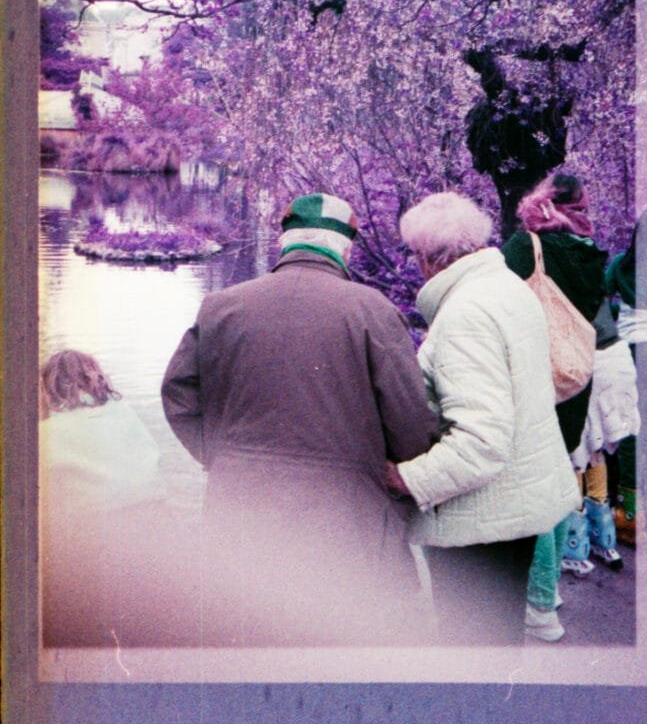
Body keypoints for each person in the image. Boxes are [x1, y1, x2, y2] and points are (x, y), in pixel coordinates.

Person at [161, 192, 438, 646]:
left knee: (246, 634)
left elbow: (178, 393)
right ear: (345, 249)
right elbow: (409, 422)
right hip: (344, 517)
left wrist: (220, 455)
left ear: (284, 243)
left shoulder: (221, 306)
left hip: (239, 507)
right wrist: (403, 474)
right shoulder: (373, 310)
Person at [385, 191, 579, 645]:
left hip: (481, 524)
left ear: (428, 257)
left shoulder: (465, 315)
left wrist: (406, 479)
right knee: (499, 641)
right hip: (515, 508)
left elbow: (480, 443)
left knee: (473, 647)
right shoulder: (507, 289)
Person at [502, 171, 614, 640]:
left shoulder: (527, 247)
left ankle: (541, 602)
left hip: (532, 381)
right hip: (572, 382)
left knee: (528, 491)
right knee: (552, 478)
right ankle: (547, 594)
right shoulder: (590, 255)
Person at [39, 349, 167, 645]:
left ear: (48, 387)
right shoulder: (124, 412)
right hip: (155, 519)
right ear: (96, 379)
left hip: (95, 534)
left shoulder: (45, 433)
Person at [605, 207, 647, 544]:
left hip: (628, 354)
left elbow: (601, 299)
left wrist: (620, 313)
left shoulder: (620, 265)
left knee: (630, 433)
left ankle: (629, 517)